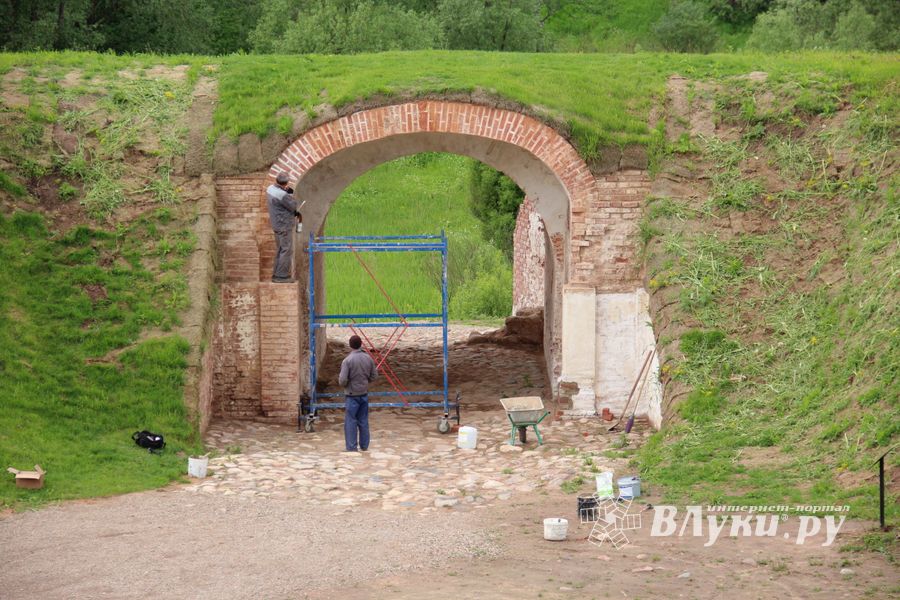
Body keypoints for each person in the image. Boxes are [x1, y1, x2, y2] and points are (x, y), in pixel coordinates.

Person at [338, 335, 378, 452]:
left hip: (351, 395)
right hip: (364, 393)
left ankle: (351, 446)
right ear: (361, 344)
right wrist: (365, 381)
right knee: (363, 420)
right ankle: (364, 445)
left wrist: (347, 384)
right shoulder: (368, 358)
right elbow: (374, 376)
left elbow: (342, 380)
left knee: (351, 421)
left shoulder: (347, 361)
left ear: (350, 345)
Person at [266, 173, 302, 282]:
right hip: (284, 225)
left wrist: (284, 190)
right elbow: (293, 206)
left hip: (276, 224)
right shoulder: (283, 195)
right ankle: (282, 276)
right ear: (286, 183)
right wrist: (289, 194)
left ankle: (276, 274)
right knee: (286, 249)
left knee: (280, 249)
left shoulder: (270, 188)